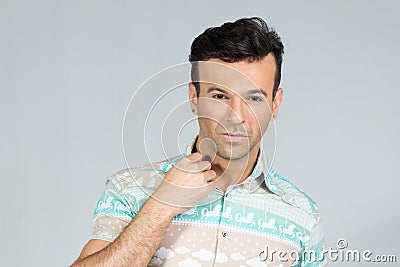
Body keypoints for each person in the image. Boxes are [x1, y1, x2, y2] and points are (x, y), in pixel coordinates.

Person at [72, 17, 327, 267]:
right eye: (219, 96)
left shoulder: (302, 215)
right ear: (194, 98)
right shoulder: (130, 190)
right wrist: (161, 206)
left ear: (275, 103)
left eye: (254, 99)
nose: (236, 116)